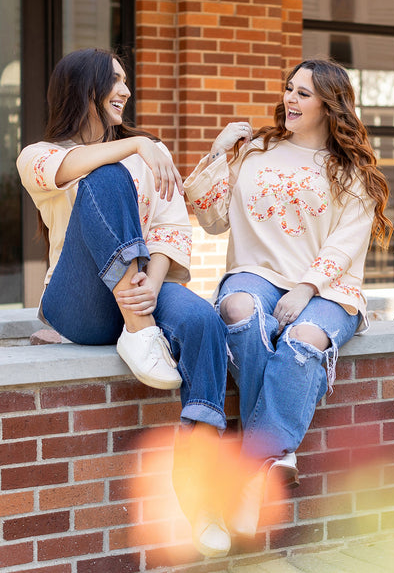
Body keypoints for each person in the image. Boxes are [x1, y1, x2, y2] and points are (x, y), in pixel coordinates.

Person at [17, 48, 231, 558]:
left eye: (127, 81)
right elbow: (70, 167)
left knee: (203, 321)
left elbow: (171, 229)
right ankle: (138, 328)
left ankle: (201, 492)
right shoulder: (39, 153)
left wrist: (153, 284)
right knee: (106, 175)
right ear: (83, 87)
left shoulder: (144, 155)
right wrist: (136, 144)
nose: (126, 90)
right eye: (114, 80)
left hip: (142, 290)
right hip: (81, 301)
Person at [184, 58, 394, 538]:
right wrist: (218, 153)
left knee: (302, 337)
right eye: (289, 89)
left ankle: (249, 469)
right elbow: (211, 218)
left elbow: (346, 242)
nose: (290, 99)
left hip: (328, 286)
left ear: (329, 104)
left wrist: (306, 288)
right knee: (239, 309)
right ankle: (275, 457)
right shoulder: (257, 149)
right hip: (255, 272)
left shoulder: (351, 171)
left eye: (303, 93)